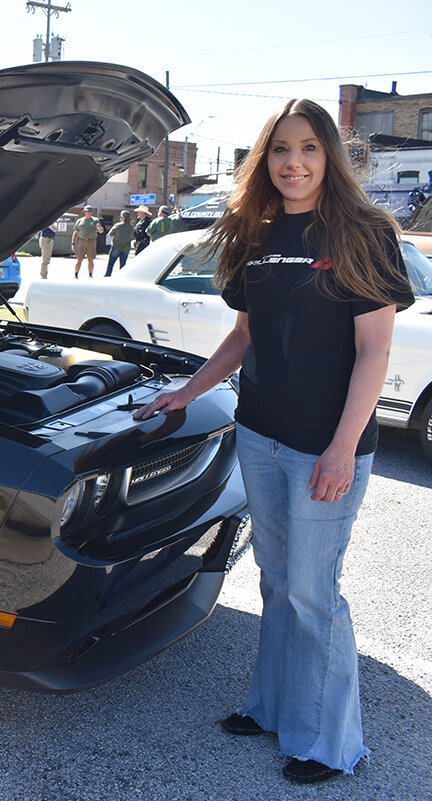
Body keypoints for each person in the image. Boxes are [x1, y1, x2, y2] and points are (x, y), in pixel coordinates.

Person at [134, 98, 413, 785]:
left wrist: (343, 448)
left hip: (327, 443)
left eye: (310, 148)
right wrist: (187, 393)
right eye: (282, 149)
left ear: (330, 157)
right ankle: (271, 707)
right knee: (277, 581)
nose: (294, 162)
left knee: (316, 591)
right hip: (261, 434)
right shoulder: (252, 232)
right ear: (266, 160)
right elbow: (243, 335)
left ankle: (329, 743)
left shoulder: (363, 232)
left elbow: (375, 351)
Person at [71, 205, 104, 278]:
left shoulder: (95, 220)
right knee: (79, 259)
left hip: (91, 241)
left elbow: (101, 231)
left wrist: (100, 228)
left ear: (91, 212)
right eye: (86, 211)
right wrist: (73, 243)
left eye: (89, 211)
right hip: (82, 241)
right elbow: (76, 232)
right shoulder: (80, 220)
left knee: (90, 259)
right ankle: (76, 274)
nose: (88, 213)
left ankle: (90, 274)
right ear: (84, 212)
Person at [104, 210, 134, 276]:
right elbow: (132, 237)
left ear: (123, 217)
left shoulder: (118, 225)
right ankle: (122, 277)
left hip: (116, 247)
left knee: (111, 264)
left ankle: (107, 275)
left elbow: (109, 235)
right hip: (126, 248)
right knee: (123, 265)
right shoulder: (131, 227)